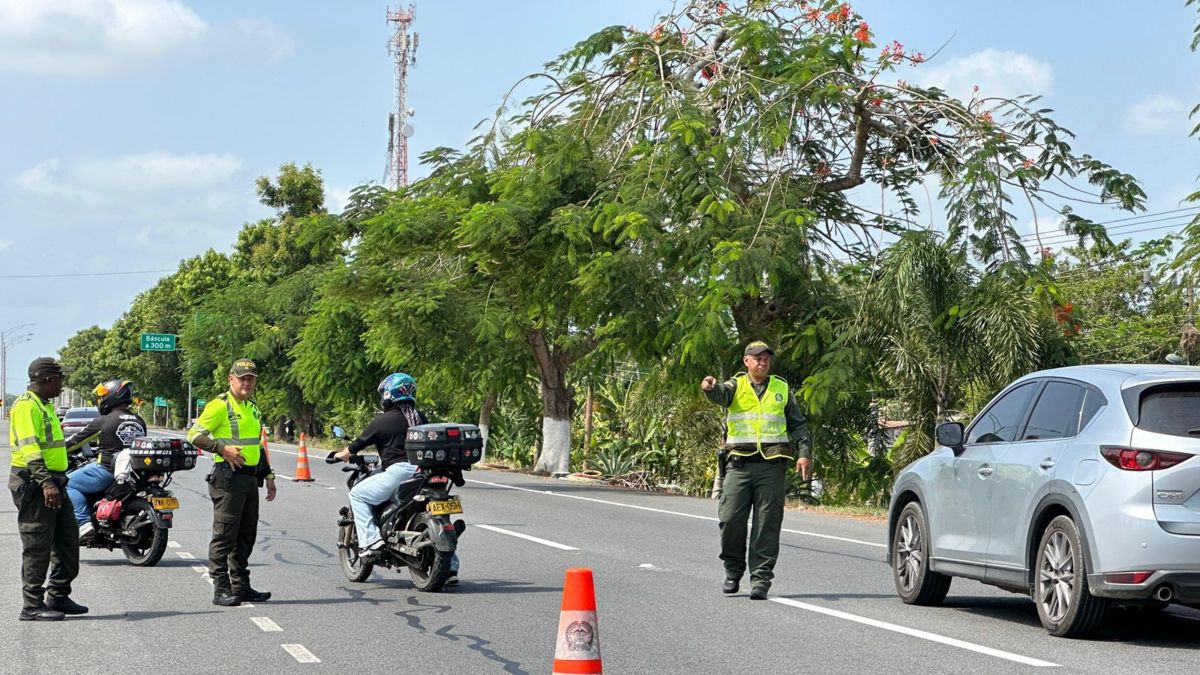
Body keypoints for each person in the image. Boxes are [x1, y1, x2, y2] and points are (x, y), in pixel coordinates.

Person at [702, 341, 812, 601]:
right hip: (739, 465)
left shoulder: (781, 388)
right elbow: (719, 394)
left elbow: (798, 425)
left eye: (766, 359)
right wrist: (709, 388)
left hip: (772, 467)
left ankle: (761, 580)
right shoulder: (735, 385)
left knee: (767, 524)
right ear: (746, 361)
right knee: (729, 519)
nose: (762, 363)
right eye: (757, 358)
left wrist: (804, 454)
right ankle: (733, 571)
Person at [335, 373, 460, 584]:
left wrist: (340, 455)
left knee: (357, 495)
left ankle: (371, 542)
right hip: (426, 472)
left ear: (388, 394)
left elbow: (356, 445)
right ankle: (451, 567)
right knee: (436, 515)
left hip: (399, 472)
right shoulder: (419, 418)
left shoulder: (384, 420)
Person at [187, 359, 277, 607]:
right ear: (231, 379)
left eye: (251, 378)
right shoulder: (219, 406)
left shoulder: (252, 408)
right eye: (242, 378)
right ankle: (221, 589)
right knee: (225, 536)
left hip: (250, 479)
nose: (247, 382)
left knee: (246, 536)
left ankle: (241, 586)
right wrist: (222, 449)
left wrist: (268, 475)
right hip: (228, 478)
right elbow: (194, 435)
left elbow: (257, 445)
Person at [8, 357, 87, 621]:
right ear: (48, 379)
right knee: (37, 545)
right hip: (35, 484)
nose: (63, 384)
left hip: (53, 481)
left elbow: (53, 445)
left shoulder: (44, 405)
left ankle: (58, 596)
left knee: (67, 541)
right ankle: (31, 605)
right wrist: (46, 483)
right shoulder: (26, 406)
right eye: (60, 378)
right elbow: (30, 450)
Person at [64, 379, 147, 537]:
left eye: (103, 395)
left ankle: (83, 523)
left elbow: (74, 442)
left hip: (106, 470)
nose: (101, 399)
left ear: (111, 396)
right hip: (134, 471)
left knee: (67, 483)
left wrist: (55, 449)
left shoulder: (104, 421)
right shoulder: (139, 421)